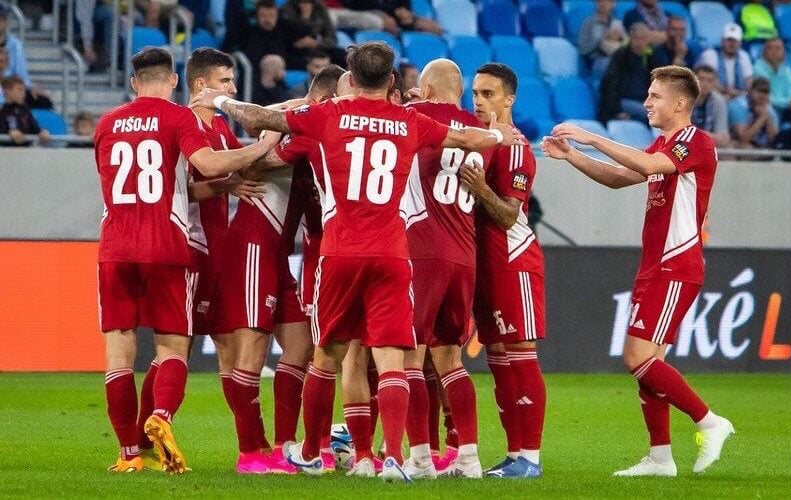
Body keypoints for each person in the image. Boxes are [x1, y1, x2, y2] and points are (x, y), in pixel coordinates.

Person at [191, 41, 522, 482]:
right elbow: (467, 138)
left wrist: (222, 100)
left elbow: (262, 118)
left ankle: (312, 451)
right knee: (391, 360)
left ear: (351, 75)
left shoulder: (328, 115)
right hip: (392, 253)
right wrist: (502, 133)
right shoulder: (408, 119)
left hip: (339, 251)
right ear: (391, 81)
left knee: (326, 356)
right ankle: (393, 459)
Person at [542, 65, 734, 477]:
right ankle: (661, 458)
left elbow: (648, 168)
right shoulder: (663, 145)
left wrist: (592, 137)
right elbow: (619, 177)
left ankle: (710, 422)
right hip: (655, 265)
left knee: (637, 357)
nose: (647, 102)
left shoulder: (694, 142)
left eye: (655, 96)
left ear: (680, 103)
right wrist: (574, 155)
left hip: (675, 263)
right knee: (652, 361)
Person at [94, 46, 272, 474]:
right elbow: (206, 164)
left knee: (119, 355)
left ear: (134, 83)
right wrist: (260, 147)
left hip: (114, 249)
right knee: (173, 346)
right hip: (167, 247)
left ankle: (128, 455)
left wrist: (220, 186)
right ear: (174, 81)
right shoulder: (179, 118)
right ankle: (161, 416)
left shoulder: (106, 124)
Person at [208, 64, 344, 475]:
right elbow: (253, 160)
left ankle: (285, 446)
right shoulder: (296, 118)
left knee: (300, 348)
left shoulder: (321, 125)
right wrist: (240, 172)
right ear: (323, 98)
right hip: (253, 242)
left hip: (279, 252)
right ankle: (251, 452)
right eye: (341, 99)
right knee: (249, 353)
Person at [392, 59, 484, 479]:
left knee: (411, 358)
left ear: (425, 88)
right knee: (451, 360)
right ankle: (469, 458)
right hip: (465, 254)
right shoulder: (477, 132)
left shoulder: (412, 118)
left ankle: (422, 459)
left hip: (422, 250)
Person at [461, 62, 546, 480]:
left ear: (509, 99)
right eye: (475, 93)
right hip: (484, 263)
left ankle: (530, 456)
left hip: (514, 262)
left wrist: (480, 190)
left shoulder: (514, 147)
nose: (478, 101)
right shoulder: (481, 141)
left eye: (488, 94)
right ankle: (514, 455)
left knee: (521, 357)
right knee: (497, 360)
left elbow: (510, 215)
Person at [599, 23, 657, 124]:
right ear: (630, 38)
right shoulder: (620, 56)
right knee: (653, 115)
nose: (639, 43)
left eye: (643, 39)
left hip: (644, 101)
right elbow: (609, 86)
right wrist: (617, 111)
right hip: (623, 102)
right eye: (636, 38)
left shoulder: (650, 58)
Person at [281, 0, 347, 66]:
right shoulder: (287, 9)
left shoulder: (319, 7)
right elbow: (286, 36)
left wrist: (317, 43)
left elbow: (332, 38)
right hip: (295, 50)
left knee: (342, 55)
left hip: (317, 47)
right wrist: (305, 18)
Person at [696, 23, 753, 100]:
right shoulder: (710, 55)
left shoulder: (744, 56)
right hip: (713, 95)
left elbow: (749, 81)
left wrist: (739, 94)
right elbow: (709, 81)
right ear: (722, 41)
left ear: (740, 43)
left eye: (735, 41)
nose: (732, 44)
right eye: (729, 40)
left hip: (739, 97)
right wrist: (729, 92)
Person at [752, 37, 791, 122]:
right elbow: (765, 97)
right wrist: (788, 102)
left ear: (783, 52)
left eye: (778, 48)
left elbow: (790, 95)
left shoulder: (787, 70)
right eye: (770, 48)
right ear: (764, 52)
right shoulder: (758, 68)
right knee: (768, 109)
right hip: (764, 105)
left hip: (785, 108)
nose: (774, 51)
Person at [577, 0, 627, 77]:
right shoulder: (588, 23)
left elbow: (627, 46)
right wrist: (602, 38)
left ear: (613, 4)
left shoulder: (618, 23)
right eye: (600, 1)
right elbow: (583, 49)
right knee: (610, 64)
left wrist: (622, 38)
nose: (603, 4)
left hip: (617, 57)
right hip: (597, 60)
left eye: (608, 1)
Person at [729, 76, 779, 149]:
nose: (762, 95)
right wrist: (762, 118)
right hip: (737, 145)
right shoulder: (739, 105)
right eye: (759, 91)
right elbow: (743, 139)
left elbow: (775, 141)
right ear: (750, 91)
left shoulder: (770, 110)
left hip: (762, 147)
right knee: (746, 148)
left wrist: (768, 118)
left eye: (765, 92)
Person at [0, 76, 50, 146]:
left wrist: (43, 133)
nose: (23, 93)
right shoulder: (2, 112)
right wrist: (9, 133)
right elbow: (2, 130)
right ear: (7, 91)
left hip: (26, 152)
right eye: (19, 90)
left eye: (23, 90)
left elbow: (36, 129)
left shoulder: (26, 111)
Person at [692, 66, 730, 147]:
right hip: (684, 145)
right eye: (701, 79)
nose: (705, 84)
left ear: (714, 83)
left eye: (710, 80)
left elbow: (723, 138)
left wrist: (698, 135)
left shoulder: (719, 101)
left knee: (729, 152)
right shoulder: (682, 99)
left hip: (709, 146)